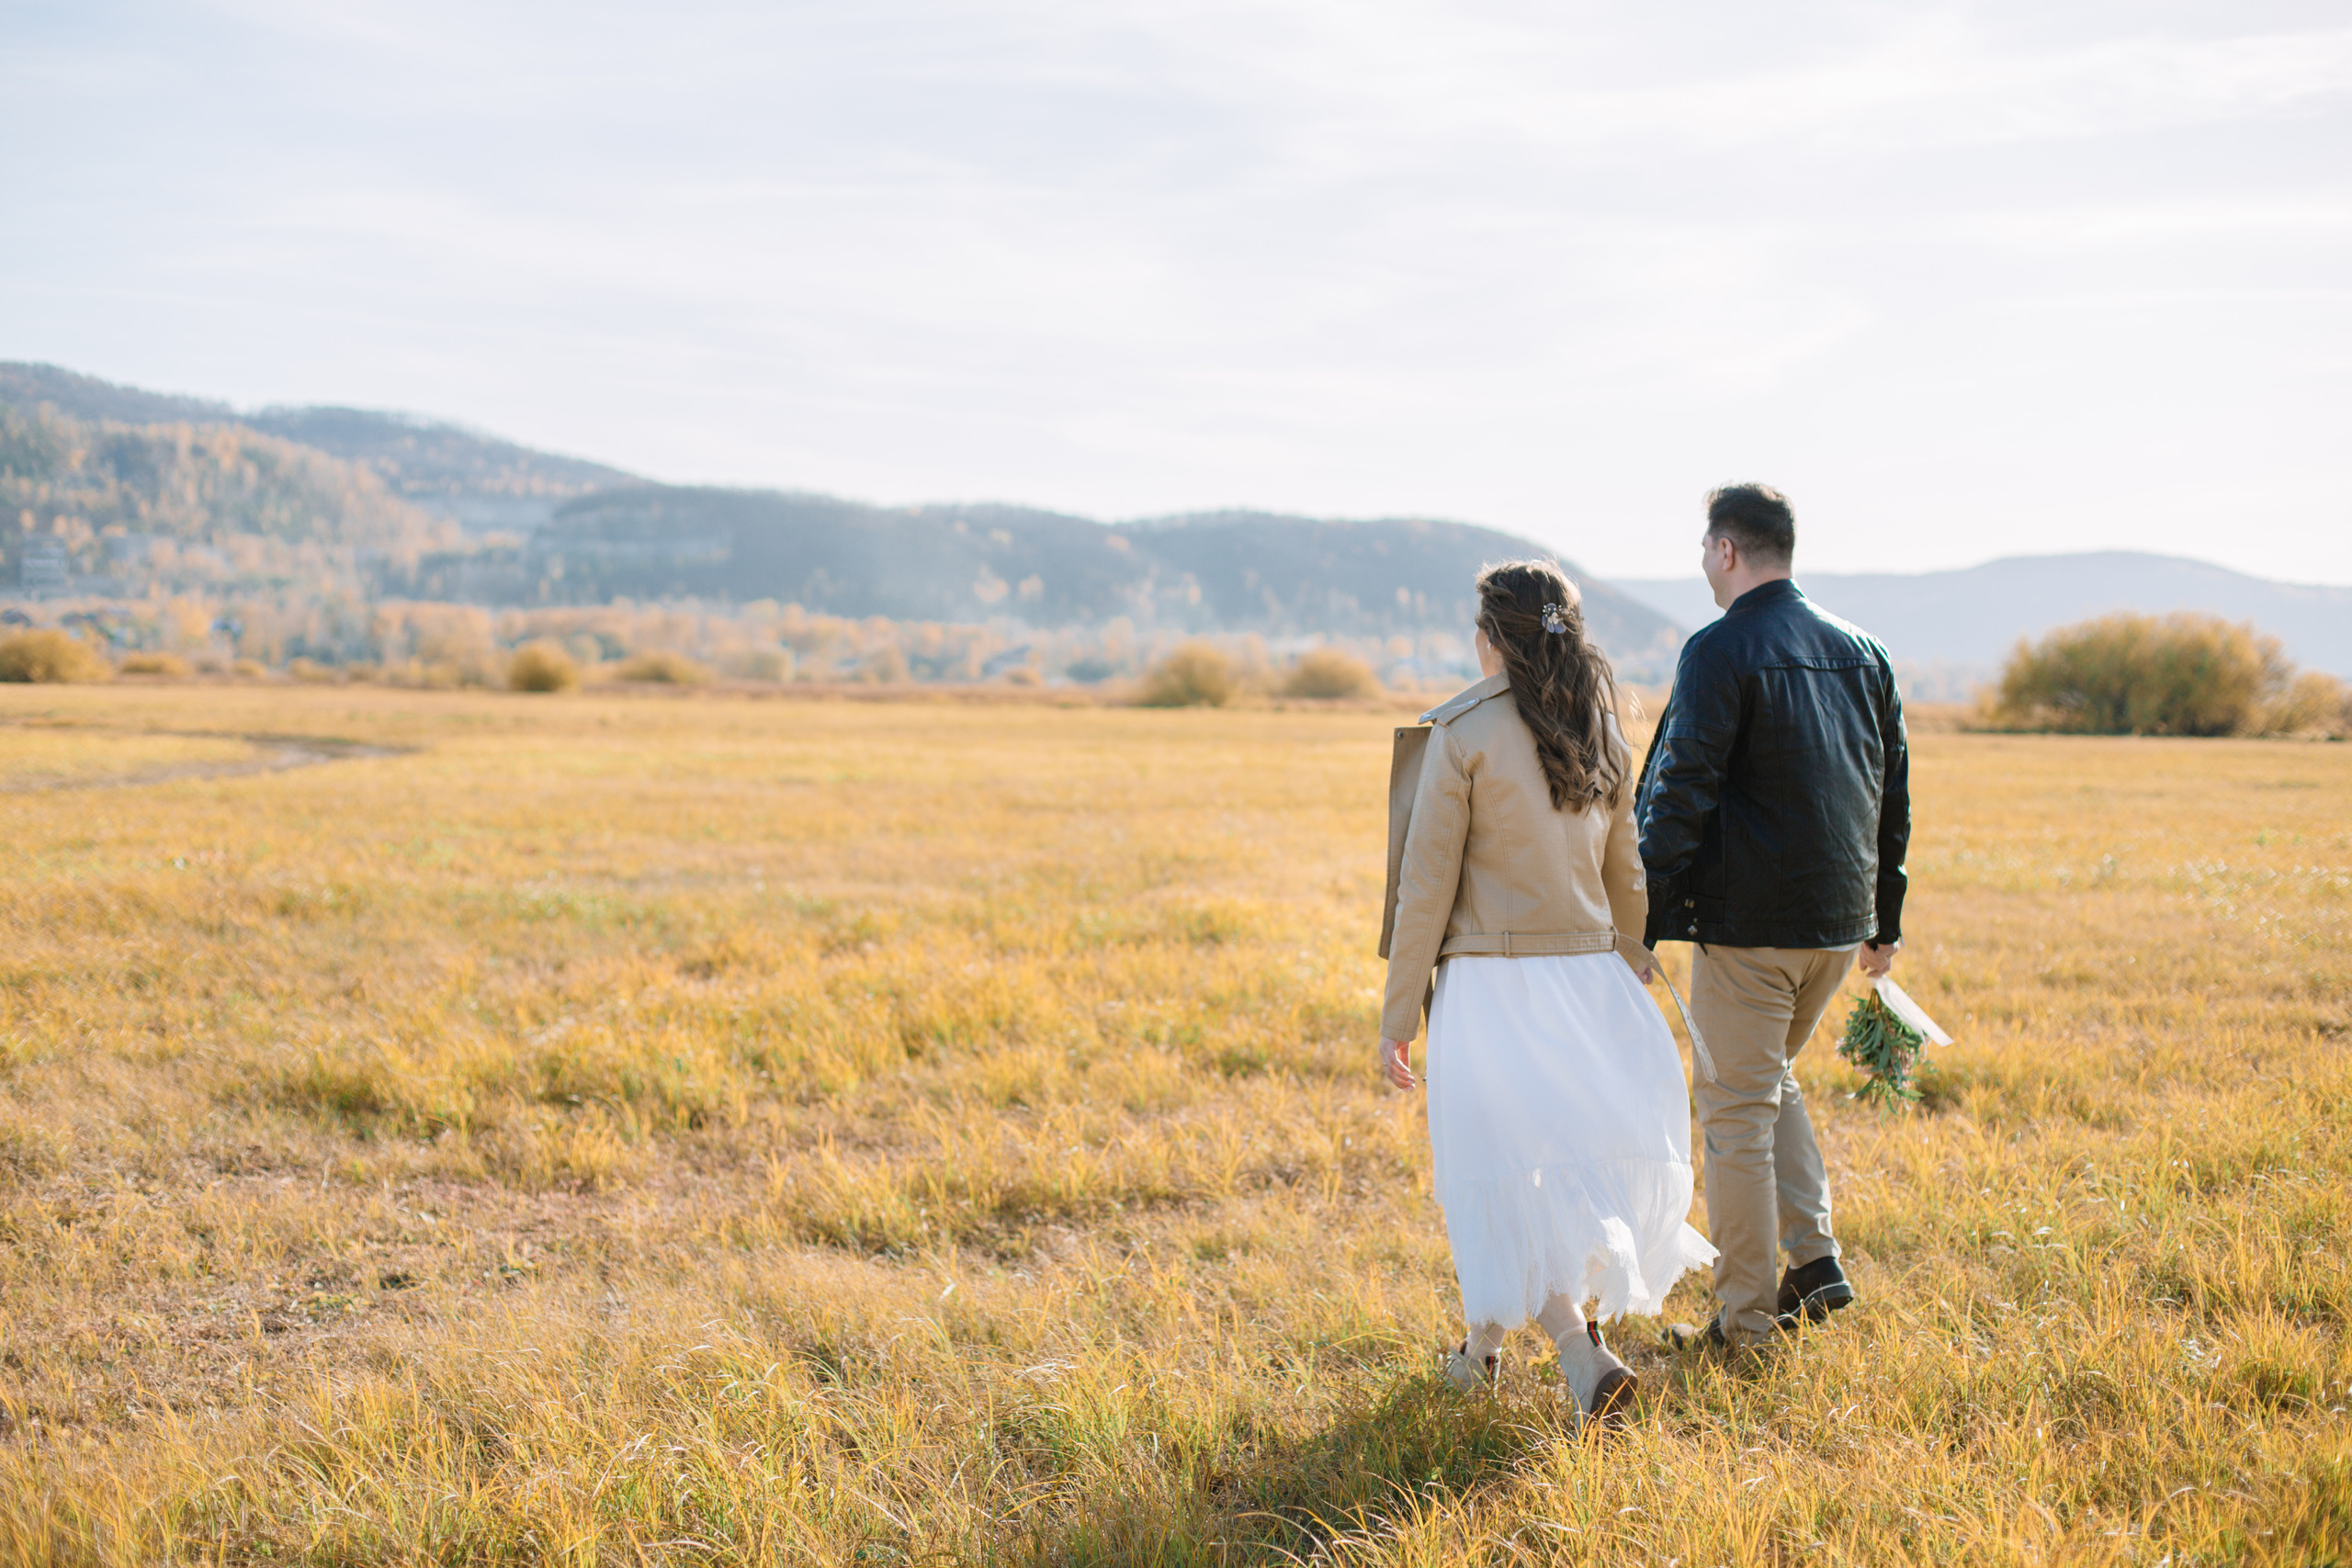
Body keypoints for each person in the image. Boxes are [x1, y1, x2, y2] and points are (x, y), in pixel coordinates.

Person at [1381, 559, 1715, 1426]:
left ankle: (1578, 1351)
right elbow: (1627, 872)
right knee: (1542, 1169)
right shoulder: (1600, 728)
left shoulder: (1459, 732)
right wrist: (1631, 960)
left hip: (1491, 990)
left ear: (1489, 636)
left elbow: (1425, 891)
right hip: (1592, 979)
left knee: (1506, 1175)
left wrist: (1395, 1016)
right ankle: (1481, 1353)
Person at [1636, 483, 1911, 1348]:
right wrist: (1885, 916)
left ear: (1726, 550)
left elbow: (1681, 790)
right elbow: (1891, 793)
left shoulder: (1720, 649)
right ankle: (1816, 1264)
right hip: (1837, 925)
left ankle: (1745, 1322)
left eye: (1703, 551)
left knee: (1735, 1113)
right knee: (1767, 1083)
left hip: (1751, 929)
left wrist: (1637, 913)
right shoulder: (1865, 650)